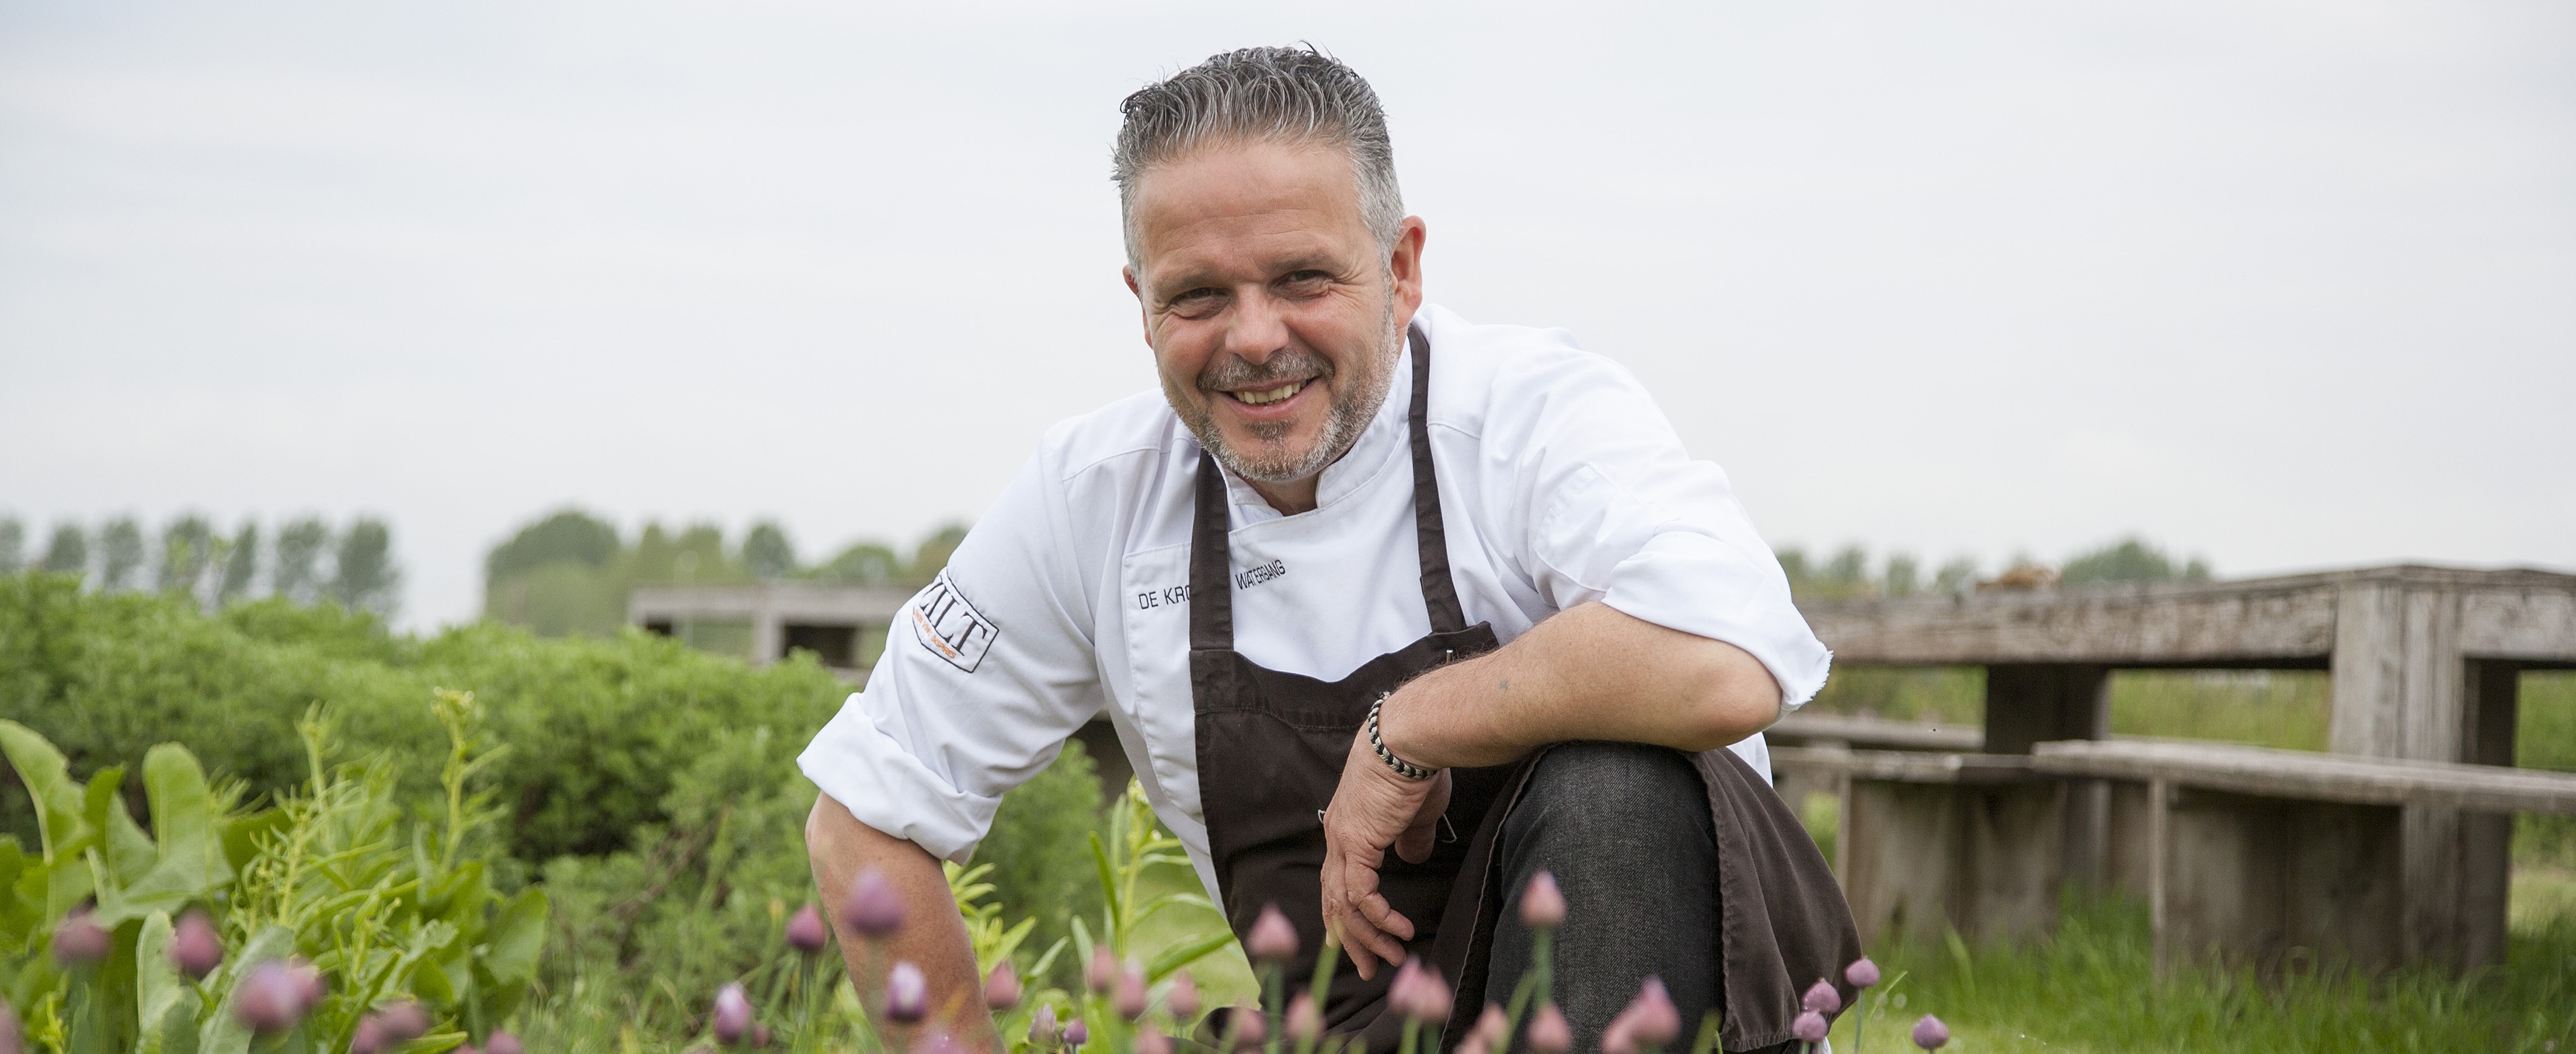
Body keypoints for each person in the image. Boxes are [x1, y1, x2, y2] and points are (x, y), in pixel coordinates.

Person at [800, 45, 1860, 1053]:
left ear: (1400, 268)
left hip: (1644, 1013)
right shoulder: (1094, 500)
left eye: (1304, 278)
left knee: (1618, 790)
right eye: (1199, 295)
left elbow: (1726, 661)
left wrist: (1413, 726)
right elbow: (863, 822)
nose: (1255, 338)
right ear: (1141, 304)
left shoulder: (1531, 419)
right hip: (1345, 1031)